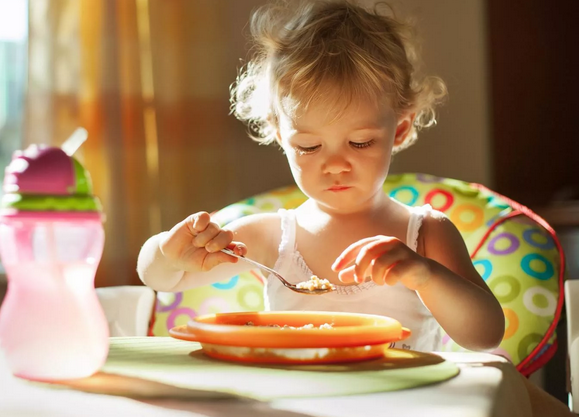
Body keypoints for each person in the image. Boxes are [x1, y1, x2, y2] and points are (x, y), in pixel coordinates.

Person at [137, 1, 572, 414]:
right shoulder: (271, 236)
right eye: (308, 146)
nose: (335, 164)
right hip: (293, 406)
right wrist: (166, 251)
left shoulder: (424, 233)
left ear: (399, 129)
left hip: (401, 405)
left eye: (360, 142)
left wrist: (423, 274)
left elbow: (483, 334)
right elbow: (162, 281)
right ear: (279, 135)